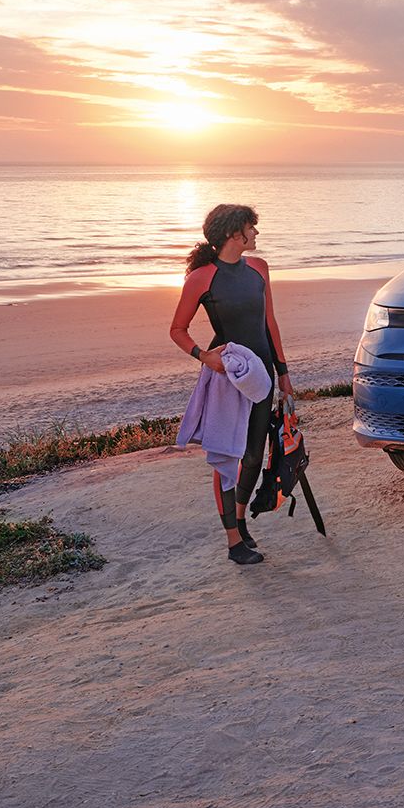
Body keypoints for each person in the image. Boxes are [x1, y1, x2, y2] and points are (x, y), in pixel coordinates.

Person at [169, 203, 290, 564]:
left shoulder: (259, 269)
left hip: (262, 373)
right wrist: (203, 356)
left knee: (253, 454)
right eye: (251, 228)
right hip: (228, 376)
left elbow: (270, 323)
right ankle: (233, 542)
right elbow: (177, 329)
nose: (256, 234)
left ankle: (239, 519)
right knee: (227, 458)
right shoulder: (201, 278)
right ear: (232, 233)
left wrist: (283, 373)